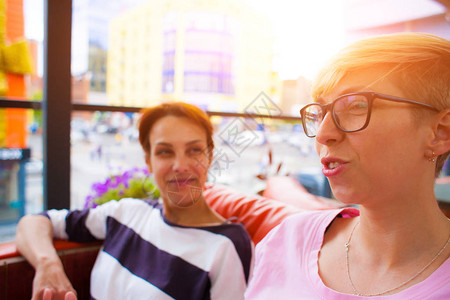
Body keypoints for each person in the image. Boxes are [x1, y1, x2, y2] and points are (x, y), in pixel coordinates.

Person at [245, 32, 450, 299]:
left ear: (439, 132)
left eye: (355, 106)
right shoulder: (285, 240)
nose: (322, 134)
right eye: (320, 113)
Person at [16, 102, 253, 300]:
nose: (180, 166)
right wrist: (48, 264)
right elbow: (35, 222)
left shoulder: (228, 245)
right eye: (164, 152)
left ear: (210, 157)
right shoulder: (125, 213)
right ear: (148, 161)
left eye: (194, 150)